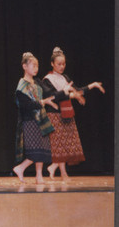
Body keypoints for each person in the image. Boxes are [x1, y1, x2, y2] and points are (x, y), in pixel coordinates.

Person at [42, 47, 105, 181]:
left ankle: (53, 167)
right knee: (59, 145)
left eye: (63, 64)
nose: (62, 66)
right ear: (52, 64)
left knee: (67, 144)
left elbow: (77, 91)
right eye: (59, 64)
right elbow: (52, 96)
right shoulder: (47, 79)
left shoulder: (65, 77)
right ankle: (63, 173)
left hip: (67, 114)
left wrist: (92, 85)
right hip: (55, 114)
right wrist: (67, 93)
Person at [13, 52, 59, 184]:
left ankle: (39, 175)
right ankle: (20, 168)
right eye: (33, 65)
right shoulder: (21, 86)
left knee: (43, 149)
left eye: (37, 66)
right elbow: (25, 106)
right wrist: (42, 102)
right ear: (24, 66)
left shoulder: (38, 82)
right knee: (35, 149)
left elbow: (51, 94)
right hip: (30, 120)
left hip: (41, 119)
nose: (36, 68)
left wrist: (64, 93)